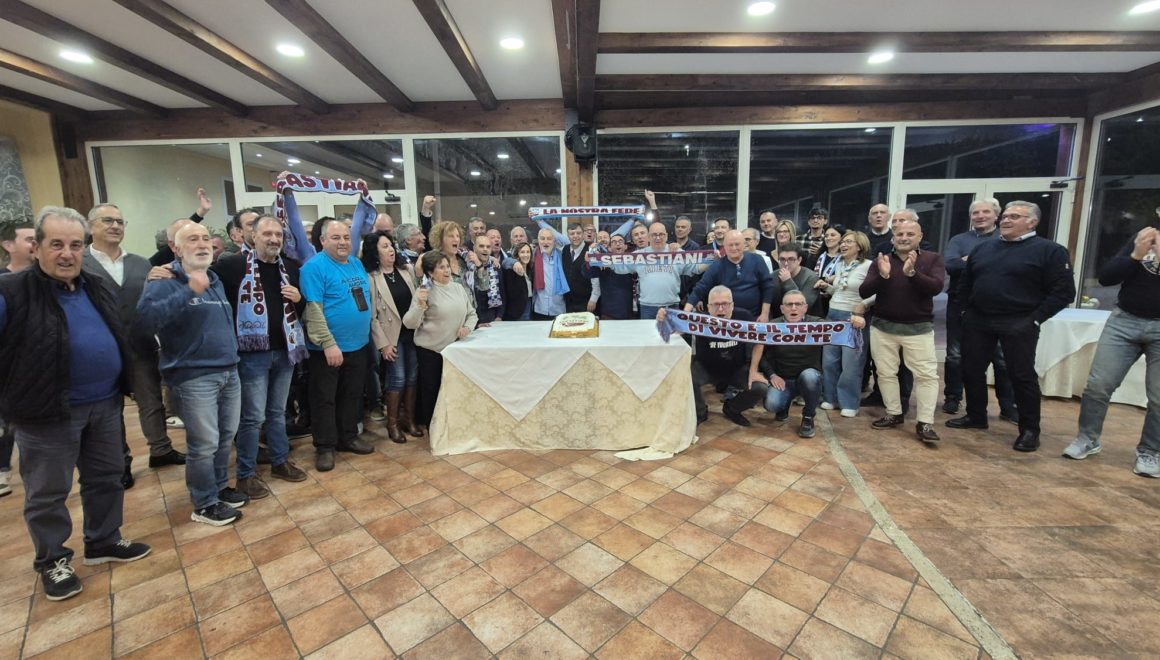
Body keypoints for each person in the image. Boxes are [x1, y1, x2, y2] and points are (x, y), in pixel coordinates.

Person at [0, 207, 151, 600]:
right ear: (36, 248)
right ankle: (52, 559)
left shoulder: (94, 286)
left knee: (107, 477)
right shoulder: (12, 292)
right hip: (46, 411)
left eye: (75, 245)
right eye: (56, 244)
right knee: (48, 492)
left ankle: (103, 540)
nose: (67, 254)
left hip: (105, 404)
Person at [139, 222, 249, 525]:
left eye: (205, 239)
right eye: (192, 240)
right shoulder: (164, 280)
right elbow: (146, 321)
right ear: (175, 248)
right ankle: (204, 503)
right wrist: (188, 290)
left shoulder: (214, 279)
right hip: (193, 377)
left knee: (224, 437)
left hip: (228, 371)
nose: (202, 244)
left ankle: (218, 488)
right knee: (204, 444)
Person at [948, 201, 1076, 453]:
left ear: (1032, 222)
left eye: (1015, 216)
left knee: (1021, 375)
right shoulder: (984, 248)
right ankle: (976, 415)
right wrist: (965, 311)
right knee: (971, 369)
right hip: (979, 319)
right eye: (1005, 216)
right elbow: (966, 283)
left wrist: (1035, 318)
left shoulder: (1050, 251)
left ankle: (1030, 430)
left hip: (1019, 321)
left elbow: (1063, 292)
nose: (1006, 220)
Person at [83, 204, 186, 483]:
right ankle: (120, 462)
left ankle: (161, 449)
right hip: (100, 351)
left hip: (140, 345)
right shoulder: (80, 263)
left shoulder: (140, 264)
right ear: (91, 226)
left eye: (120, 221)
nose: (115, 226)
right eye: (108, 221)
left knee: (151, 400)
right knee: (110, 409)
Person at [211, 216, 309, 493]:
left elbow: (299, 310)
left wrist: (299, 299)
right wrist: (165, 271)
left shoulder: (290, 268)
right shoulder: (232, 266)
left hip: (286, 350)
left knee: (277, 412)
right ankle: (246, 474)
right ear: (253, 236)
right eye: (267, 233)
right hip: (251, 354)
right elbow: (199, 278)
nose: (274, 239)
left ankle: (280, 461)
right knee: (252, 417)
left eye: (278, 234)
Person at [1063, 227, 1158, 476]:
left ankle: (1150, 451)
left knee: (1158, 396)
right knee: (1098, 385)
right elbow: (1107, 278)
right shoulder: (1143, 237)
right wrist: (1136, 255)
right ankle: (1088, 439)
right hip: (1124, 321)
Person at [858, 211, 945, 444]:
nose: (904, 238)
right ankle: (894, 413)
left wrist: (913, 274)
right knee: (886, 373)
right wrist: (882, 276)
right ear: (893, 236)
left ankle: (925, 422)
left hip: (918, 329)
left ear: (920, 236)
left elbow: (936, 287)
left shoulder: (932, 259)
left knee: (926, 376)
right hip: (883, 327)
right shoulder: (882, 260)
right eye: (899, 234)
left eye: (910, 234)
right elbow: (864, 291)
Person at [300, 218, 374, 472]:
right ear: (322, 240)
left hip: (358, 344)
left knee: (352, 395)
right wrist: (328, 343)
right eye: (336, 238)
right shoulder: (313, 268)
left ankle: (348, 437)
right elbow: (313, 310)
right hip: (329, 348)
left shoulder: (355, 263)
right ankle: (325, 447)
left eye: (345, 237)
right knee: (325, 399)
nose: (343, 242)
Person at [942, 199, 1017, 419]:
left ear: (996, 215)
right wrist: (986, 261)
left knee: (1002, 359)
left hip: (1000, 307)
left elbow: (1010, 267)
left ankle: (1008, 406)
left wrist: (969, 260)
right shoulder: (959, 240)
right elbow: (951, 265)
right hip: (960, 303)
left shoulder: (1006, 238)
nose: (980, 216)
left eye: (986, 212)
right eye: (975, 212)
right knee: (955, 355)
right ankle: (953, 397)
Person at [658, 286, 761, 425]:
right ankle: (700, 412)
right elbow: (674, 332)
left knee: (760, 387)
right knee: (687, 378)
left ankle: (732, 409)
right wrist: (663, 320)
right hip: (706, 367)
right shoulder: (699, 319)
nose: (721, 309)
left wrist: (754, 370)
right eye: (716, 305)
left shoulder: (744, 317)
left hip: (736, 368)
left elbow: (760, 340)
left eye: (725, 304)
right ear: (708, 307)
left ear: (732, 305)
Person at [404, 250, 477, 430]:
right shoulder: (424, 291)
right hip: (431, 351)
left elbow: (472, 314)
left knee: (453, 389)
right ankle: (433, 429)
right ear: (430, 272)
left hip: (455, 351)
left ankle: (451, 426)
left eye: (447, 266)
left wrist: (467, 328)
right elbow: (409, 323)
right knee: (432, 391)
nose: (447, 271)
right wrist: (420, 305)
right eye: (441, 268)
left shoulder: (457, 288)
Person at [362, 231, 422, 444]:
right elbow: (372, 317)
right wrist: (383, 344)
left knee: (413, 377)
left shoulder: (406, 271)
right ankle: (393, 424)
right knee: (398, 378)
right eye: (385, 246)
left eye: (391, 245)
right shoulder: (372, 278)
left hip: (412, 333)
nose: (391, 250)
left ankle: (409, 420)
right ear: (375, 252)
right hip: (391, 337)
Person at [746, 291, 825, 438]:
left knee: (810, 377)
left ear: (805, 308)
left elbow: (840, 327)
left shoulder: (817, 324)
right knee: (771, 405)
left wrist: (854, 320)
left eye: (798, 304)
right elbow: (759, 354)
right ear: (782, 309)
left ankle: (808, 417)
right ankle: (784, 405)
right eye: (789, 304)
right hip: (782, 379)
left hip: (807, 377)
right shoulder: (772, 326)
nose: (793, 308)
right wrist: (771, 375)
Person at [816, 230, 872, 417]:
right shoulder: (839, 265)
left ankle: (849, 403)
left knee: (851, 364)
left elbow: (878, 292)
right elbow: (840, 291)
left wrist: (863, 305)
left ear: (860, 246)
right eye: (843, 242)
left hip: (852, 318)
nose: (843, 245)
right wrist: (827, 287)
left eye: (848, 242)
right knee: (829, 361)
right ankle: (830, 398)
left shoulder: (868, 266)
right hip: (832, 315)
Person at [1, 218, 37, 498]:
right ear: (8, 245)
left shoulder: (50, 281)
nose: (35, 244)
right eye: (29, 239)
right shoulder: (3, 286)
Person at [613, 222, 705, 320]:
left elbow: (696, 268)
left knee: (672, 331)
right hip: (647, 308)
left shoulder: (676, 252)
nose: (657, 238)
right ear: (649, 237)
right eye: (654, 235)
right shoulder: (638, 255)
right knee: (648, 331)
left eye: (661, 234)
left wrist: (713, 260)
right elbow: (619, 267)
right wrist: (604, 261)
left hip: (671, 306)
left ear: (666, 236)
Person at [687, 230, 776, 321]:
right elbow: (700, 288)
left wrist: (765, 314)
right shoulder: (717, 265)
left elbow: (768, 287)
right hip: (726, 319)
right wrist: (685, 313)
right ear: (724, 247)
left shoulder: (757, 260)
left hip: (755, 318)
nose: (734, 248)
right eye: (730, 245)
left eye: (737, 244)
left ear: (744, 245)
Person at [595, 235, 636, 320]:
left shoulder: (633, 262)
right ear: (609, 248)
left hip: (629, 312)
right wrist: (590, 261)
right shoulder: (603, 263)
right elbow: (586, 273)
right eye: (614, 242)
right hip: (608, 314)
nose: (617, 244)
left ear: (625, 246)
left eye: (620, 241)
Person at [467, 234, 505, 324]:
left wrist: (499, 315)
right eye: (481, 246)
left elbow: (502, 292)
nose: (485, 249)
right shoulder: (467, 267)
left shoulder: (496, 266)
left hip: (492, 317)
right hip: (472, 318)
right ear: (474, 248)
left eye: (488, 247)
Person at [774, 244, 820, 313]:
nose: (786, 263)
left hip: (807, 317)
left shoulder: (811, 277)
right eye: (782, 259)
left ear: (799, 260)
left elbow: (805, 305)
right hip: (780, 316)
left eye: (791, 259)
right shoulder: (773, 276)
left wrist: (788, 281)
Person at [428, 221, 470, 288]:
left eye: (458, 236)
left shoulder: (464, 259)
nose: (456, 239)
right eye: (451, 236)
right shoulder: (434, 261)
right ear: (440, 239)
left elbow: (481, 286)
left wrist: (479, 267)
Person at [502, 242, 535, 321]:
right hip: (517, 311)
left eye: (528, 252)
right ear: (517, 254)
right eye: (522, 252)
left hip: (530, 305)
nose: (526, 255)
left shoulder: (530, 269)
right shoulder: (511, 270)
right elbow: (504, 262)